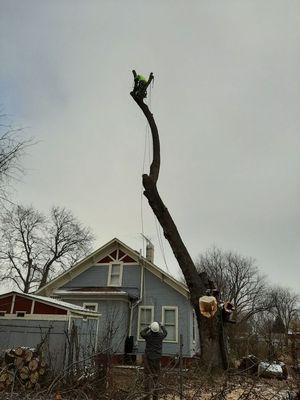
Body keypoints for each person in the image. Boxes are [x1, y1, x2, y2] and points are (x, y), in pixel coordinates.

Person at [140, 321, 167, 400]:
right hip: (157, 360)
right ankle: (155, 397)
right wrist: (162, 326)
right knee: (156, 377)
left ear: (151, 329)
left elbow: (142, 333)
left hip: (148, 360)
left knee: (147, 376)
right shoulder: (160, 336)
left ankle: (146, 396)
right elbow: (165, 332)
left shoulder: (148, 336)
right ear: (158, 330)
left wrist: (148, 327)